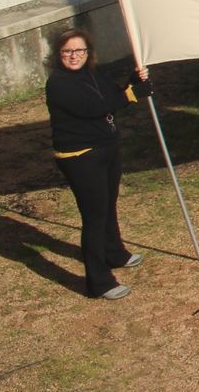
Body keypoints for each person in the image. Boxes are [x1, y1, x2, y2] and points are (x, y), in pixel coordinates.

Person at [44, 28, 152, 299]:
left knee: (107, 203)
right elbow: (93, 108)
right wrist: (131, 95)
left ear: (88, 52)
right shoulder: (58, 83)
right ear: (58, 55)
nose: (74, 56)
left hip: (106, 148)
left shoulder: (93, 73)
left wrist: (133, 81)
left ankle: (114, 252)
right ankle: (99, 281)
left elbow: (111, 96)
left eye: (79, 50)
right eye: (67, 51)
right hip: (80, 156)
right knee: (94, 216)